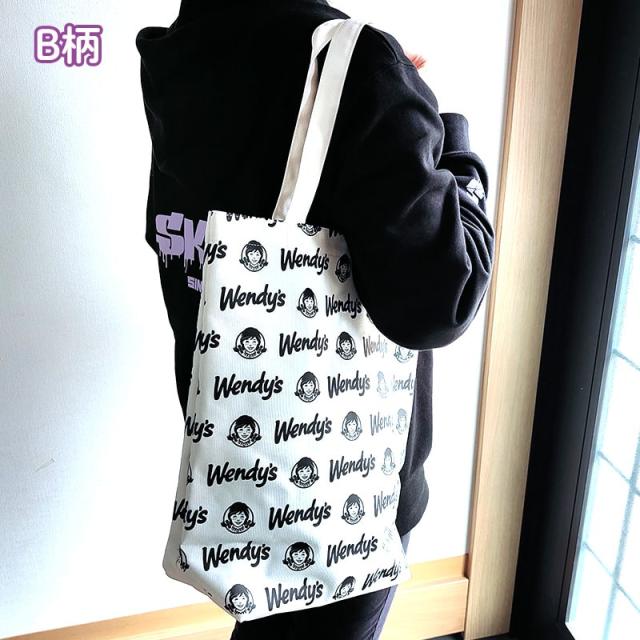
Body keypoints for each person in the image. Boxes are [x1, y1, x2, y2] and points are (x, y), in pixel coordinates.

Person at [136, 1, 494, 638]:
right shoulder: (360, 65)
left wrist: (387, 102)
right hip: (342, 495)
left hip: (239, 452)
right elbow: (444, 299)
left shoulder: (183, 46)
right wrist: (446, 138)